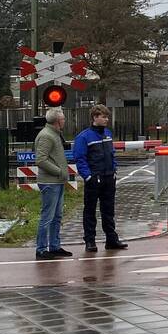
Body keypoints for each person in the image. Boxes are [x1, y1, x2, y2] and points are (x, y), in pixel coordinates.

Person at [73, 104, 128, 253]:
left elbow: (111, 154)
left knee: (108, 210)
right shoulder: (84, 137)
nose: (106, 119)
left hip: (109, 177)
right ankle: (90, 241)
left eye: (107, 116)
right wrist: (88, 176)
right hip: (94, 179)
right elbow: (80, 158)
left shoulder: (107, 134)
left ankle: (111, 239)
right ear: (95, 118)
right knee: (90, 210)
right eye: (103, 117)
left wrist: (114, 170)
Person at [34, 108, 72, 260]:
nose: (64, 121)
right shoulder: (46, 136)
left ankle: (54, 246)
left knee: (57, 216)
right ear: (57, 121)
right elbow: (41, 159)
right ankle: (41, 249)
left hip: (57, 181)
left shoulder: (54, 134)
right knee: (48, 216)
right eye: (63, 119)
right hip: (50, 182)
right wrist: (59, 171)